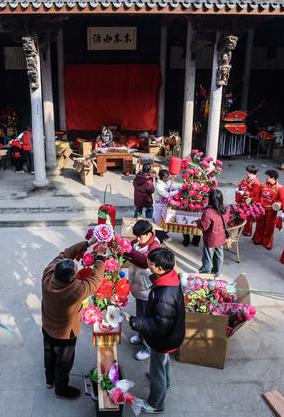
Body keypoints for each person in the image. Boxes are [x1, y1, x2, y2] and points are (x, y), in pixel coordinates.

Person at [41, 235, 105, 399]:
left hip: (47, 327)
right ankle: (61, 389)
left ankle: (50, 380)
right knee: (64, 362)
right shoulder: (76, 291)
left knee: (49, 353)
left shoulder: (48, 274)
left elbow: (65, 253)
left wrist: (87, 243)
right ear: (71, 278)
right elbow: (97, 279)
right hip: (65, 334)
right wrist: (100, 255)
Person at [126, 248, 185, 414]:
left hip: (164, 338)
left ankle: (156, 404)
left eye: (151, 263)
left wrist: (137, 322)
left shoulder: (165, 296)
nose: (148, 265)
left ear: (160, 268)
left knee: (157, 369)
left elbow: (159, 326)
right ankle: (166, 382)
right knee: (162, 361)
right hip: (171, 335)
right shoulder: (169, 279)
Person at [126, 220, 161, 362]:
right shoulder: (138, 242)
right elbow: (130, 245)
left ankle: (147, 348)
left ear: (149, 234)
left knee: (147, 319)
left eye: (140, 236)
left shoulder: (155, 246)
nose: (137, 239)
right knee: (140, 313)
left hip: (147, 288)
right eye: (136, 236)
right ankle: (141, 336)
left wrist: (128, 251)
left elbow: (144, 261)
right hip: (138, 286)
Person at [196, 189, 231, 276]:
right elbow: (226, 221)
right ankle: (216, 273)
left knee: (208, 257)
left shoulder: (208, 212)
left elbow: (204, 227)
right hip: (221, 237)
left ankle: (205, 274)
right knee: (219, 256)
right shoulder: (226, 209)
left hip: (210, 239)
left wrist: (198, 221)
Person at [252, 169, 284, 250]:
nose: (266, 178)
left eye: (268, 176)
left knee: (269, 227)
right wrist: (255, 204)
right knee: (259, 224)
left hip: (271, 211)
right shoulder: (263, 185)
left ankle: (267, 243)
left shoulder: (279, 188)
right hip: (261, 209)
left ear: (273, 178)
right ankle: (257, 239)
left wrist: (281, 208)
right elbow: (257, 195)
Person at [152, 169, 178, 243]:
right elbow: (166, 194)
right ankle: (159, 240)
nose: (167, 178)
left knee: (166, 221)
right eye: (166, 177)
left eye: (168, 176)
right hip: (159, 205)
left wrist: (181, 187)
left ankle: (163, 235)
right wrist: (177, 191)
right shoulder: (158, 185)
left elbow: (172, 187)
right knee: (158, 223)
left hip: (165, 204)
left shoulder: (167, 182)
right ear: (161, 177)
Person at [235, 165, 261, 236]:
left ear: (252, 173)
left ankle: (247, 231)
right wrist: (238, 188)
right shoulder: (246, 178)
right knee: (240, 215)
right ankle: (240, 228)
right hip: (242, 200)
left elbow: (255, 193)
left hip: (249, 201)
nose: (247, 173)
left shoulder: (256, 182)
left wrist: (244, 193)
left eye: (248, 172)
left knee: (248, 217)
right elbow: (241, 185)